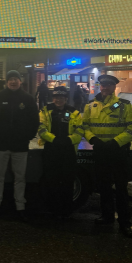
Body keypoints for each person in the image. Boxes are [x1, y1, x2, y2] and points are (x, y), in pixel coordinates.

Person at [83, 74, 132, 238]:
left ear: (114, 87)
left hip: (118, 151)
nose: (104, 87)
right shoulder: (90, 105)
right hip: (100, 151)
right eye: (102, 84)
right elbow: (84, 126)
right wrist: (93, 139)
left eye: (108, 85)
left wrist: (116, 142)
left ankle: (125, 223)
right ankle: (107, 216)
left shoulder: (124, 106)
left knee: (121, 189)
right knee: (104, 186)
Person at [0, 70, 38, 221]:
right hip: (0, 145)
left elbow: (34, 121)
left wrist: (26, 137)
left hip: (20, 146)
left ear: (20, 81)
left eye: (16, 78)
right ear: (6, 81)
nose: (13, 81)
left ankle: (20, 207)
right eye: (10, 79)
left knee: (20, 177)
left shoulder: (27, 99)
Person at [38, 86, 83, 221]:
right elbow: (41, 128)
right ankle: (52, 209)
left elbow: (80, 131)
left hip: (68, 150)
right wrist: (54, 140)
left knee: (67, 181)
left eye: (62, 97)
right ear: (53, 98)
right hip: (51, 149)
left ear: (66, 99)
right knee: (51, 180)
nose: (59, 100)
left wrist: (69, 140)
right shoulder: (45, 110)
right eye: (56, 97)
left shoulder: (74, 112)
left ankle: (66, 210)